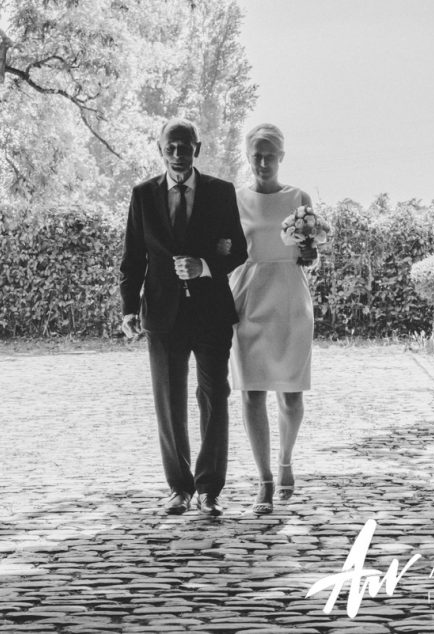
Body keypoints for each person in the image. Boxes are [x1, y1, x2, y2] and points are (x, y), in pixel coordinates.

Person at [120, 118, 248, 517]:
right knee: (169, 402)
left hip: (211, 312)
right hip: (162, 313)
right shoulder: (142, 195)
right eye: (170, 147)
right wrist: (127, 308)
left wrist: (205, 266)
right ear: (160, 148)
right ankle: (179, 488)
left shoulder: (221, 192)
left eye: (185, 146)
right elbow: (133, 258)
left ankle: (209, 489)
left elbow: (239, 250)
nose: (178, 153)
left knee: (214, 398)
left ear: (198, 147)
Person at [229, 123, 317, 515]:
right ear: (248, 157)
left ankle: (286, 459)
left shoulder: (298, 197)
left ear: (281, 157)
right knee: (251, 392)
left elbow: (310, 252)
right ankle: (263, 479)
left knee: (291, 393)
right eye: (256, 155)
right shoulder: (235, 199)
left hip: (289, 298)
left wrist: (311, 253)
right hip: (248, 295)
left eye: (269, 155)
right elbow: (227, 250)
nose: (262, 162)